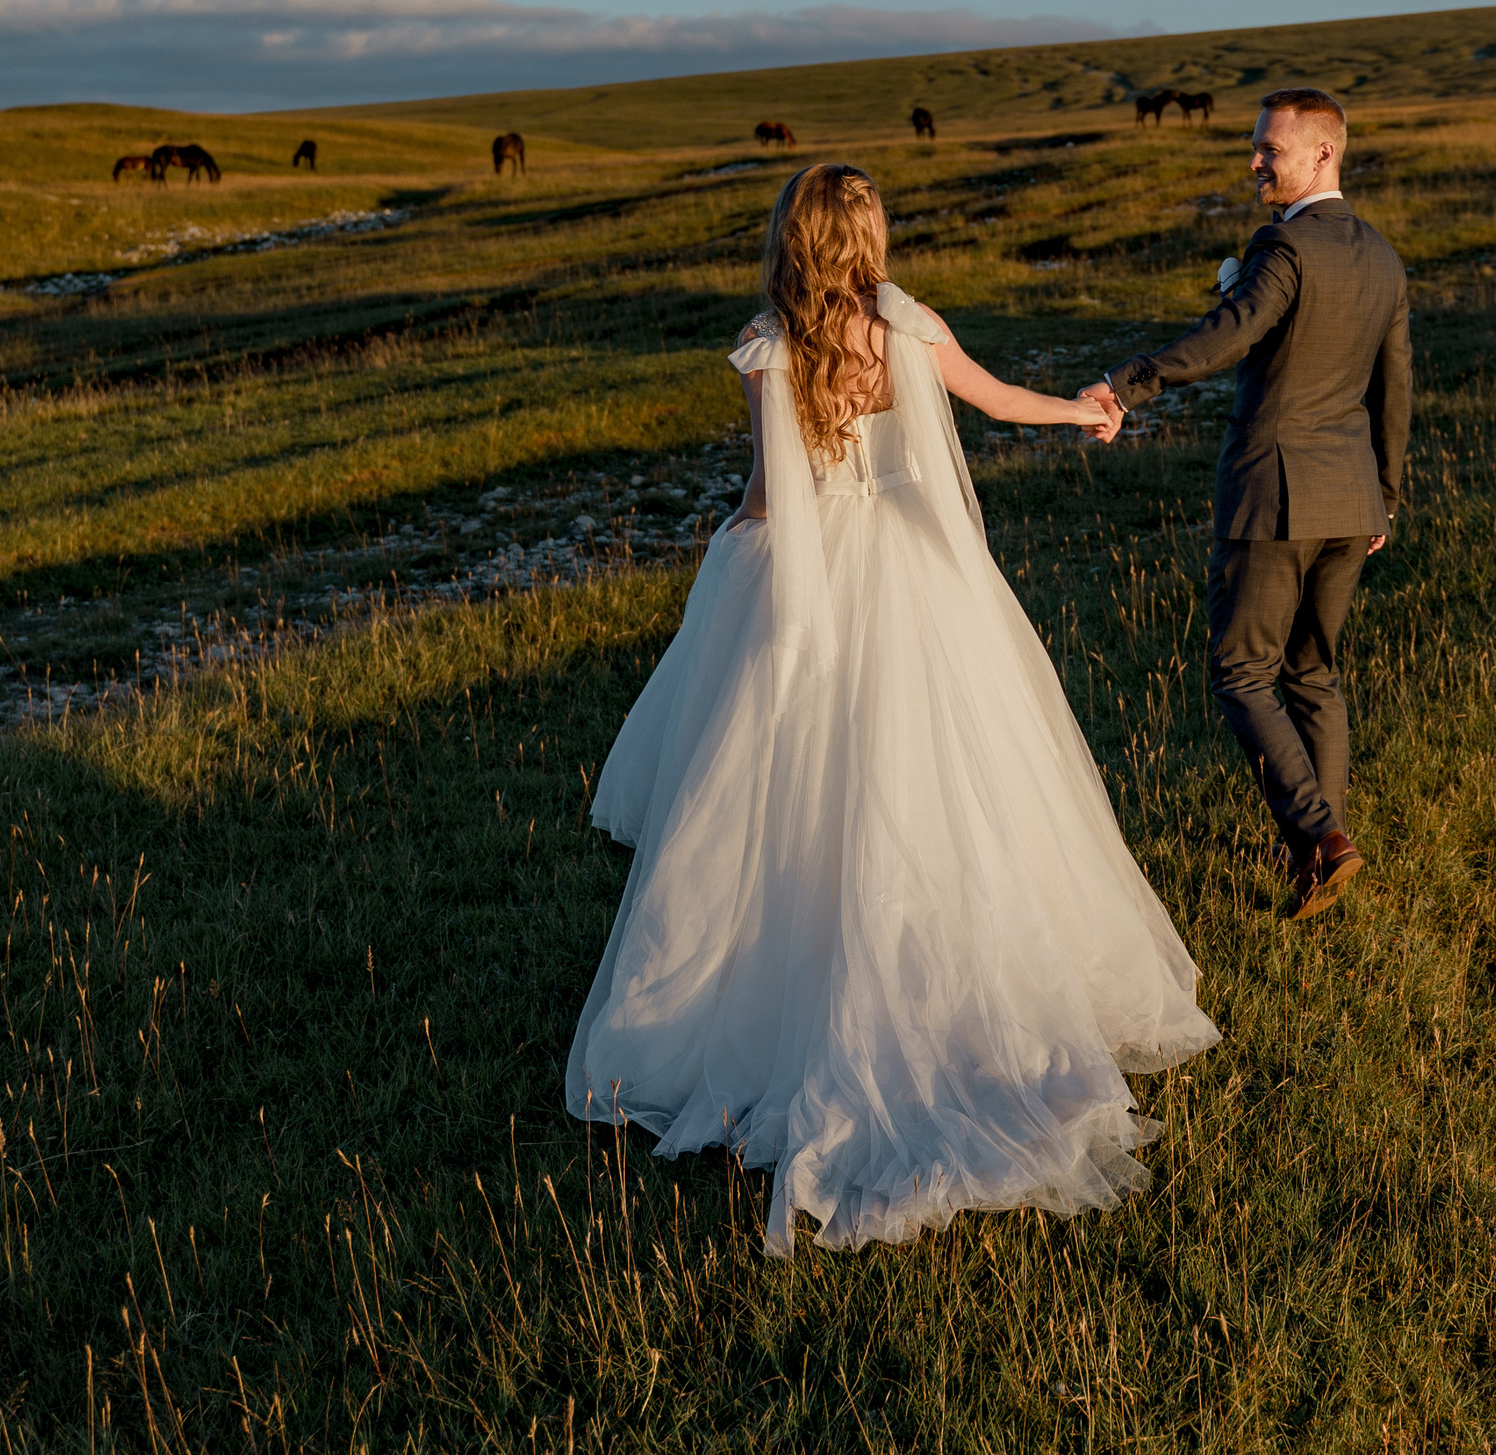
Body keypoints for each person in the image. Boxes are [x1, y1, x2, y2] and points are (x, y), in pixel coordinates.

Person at [569, 163, 1219, 1255]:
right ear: (866, 236)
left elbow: (774, 493)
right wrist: (1082, 410)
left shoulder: (767, 348)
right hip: (922, 577)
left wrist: (736, 533)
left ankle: (779, 983)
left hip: (817, 575)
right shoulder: (908, 326)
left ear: (789, 238)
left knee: (787, 786)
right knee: (957, 779)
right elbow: (998, 399)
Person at [1082, 87, 1410, 922]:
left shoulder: (1286, 247)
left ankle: (1321, 838)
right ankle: (1316, 863)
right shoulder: (1381, 255)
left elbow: (1230, 333)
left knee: (1240, 671)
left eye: (1272, 149)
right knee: (1312, 674)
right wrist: (1386, 494)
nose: (1256, 161)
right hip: (1350, 500)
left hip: (1273, 493)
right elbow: (1394, 386)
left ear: (1323, 156)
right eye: (1256, 146)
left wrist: (1131, 381)